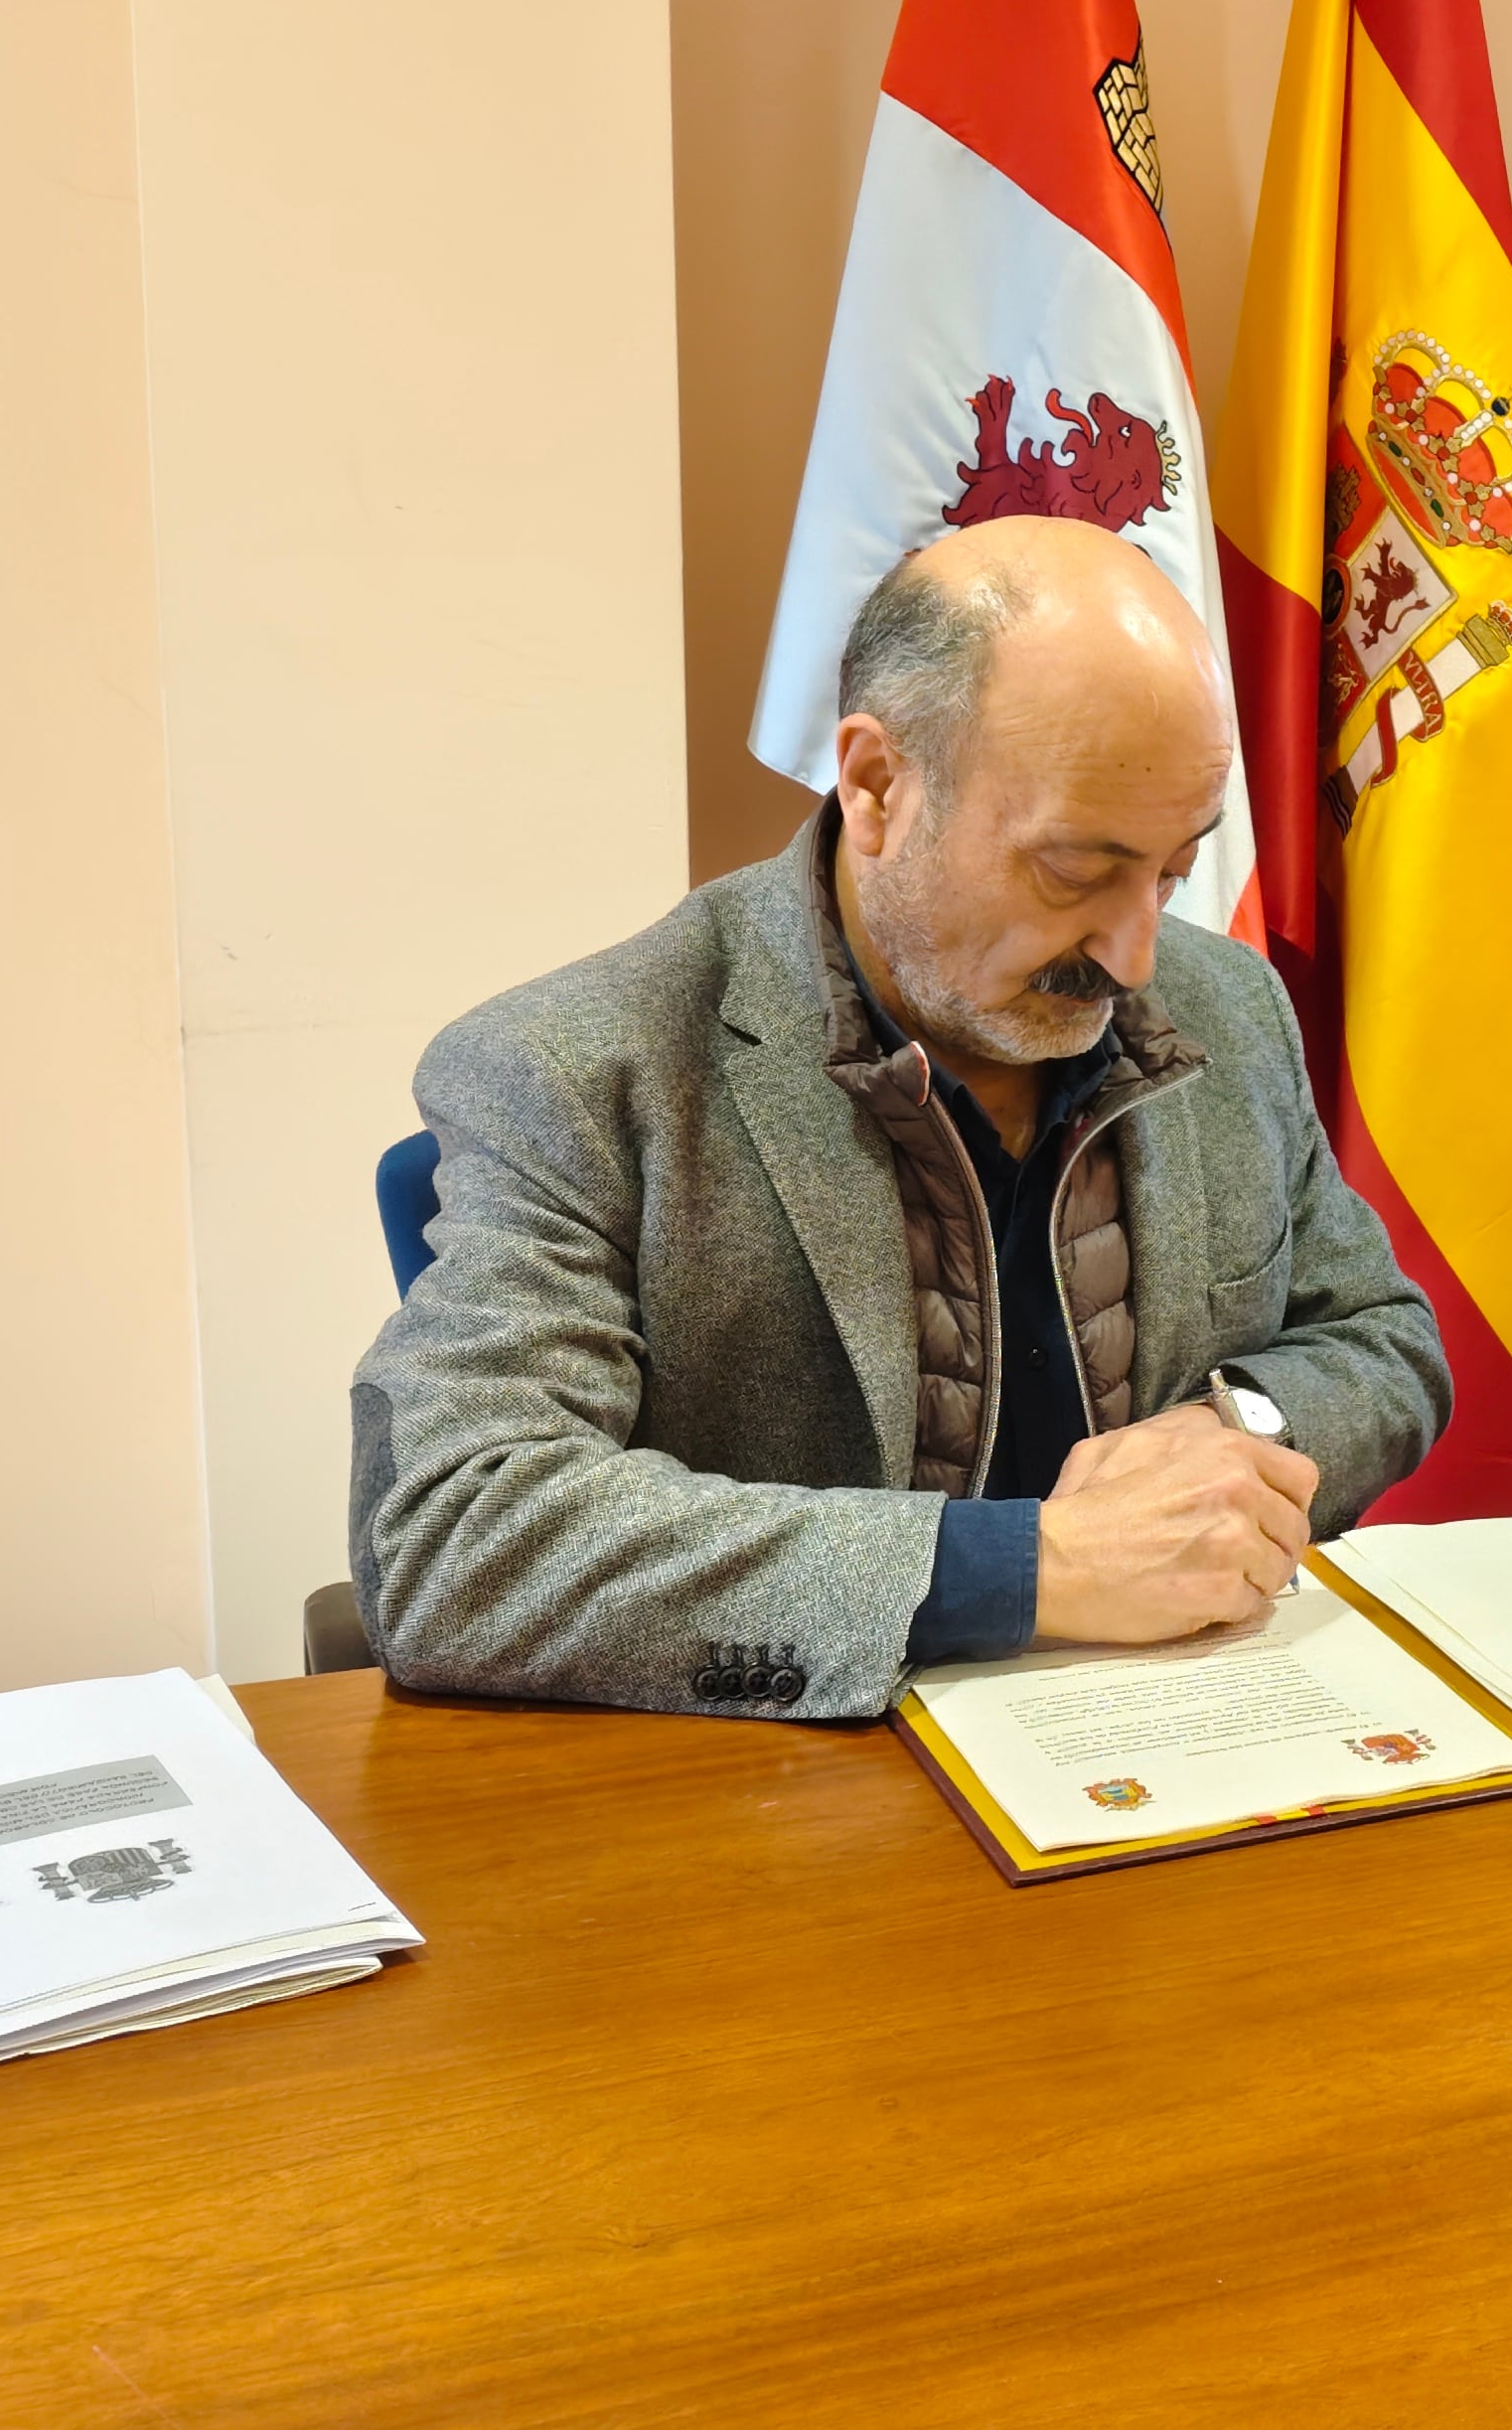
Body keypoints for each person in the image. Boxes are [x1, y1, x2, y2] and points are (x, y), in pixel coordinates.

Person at [347, 518, 1449, 1717]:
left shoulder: (1229, 1007)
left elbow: (1381, 1338)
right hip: (795, 1803)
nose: (1135, 956)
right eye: (1076, 872)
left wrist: (1235, 1426)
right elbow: (458, 1538)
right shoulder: (575, 1070)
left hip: (1185, 1748)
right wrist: (1028, 1569)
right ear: (877, 785)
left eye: (1174, 869)